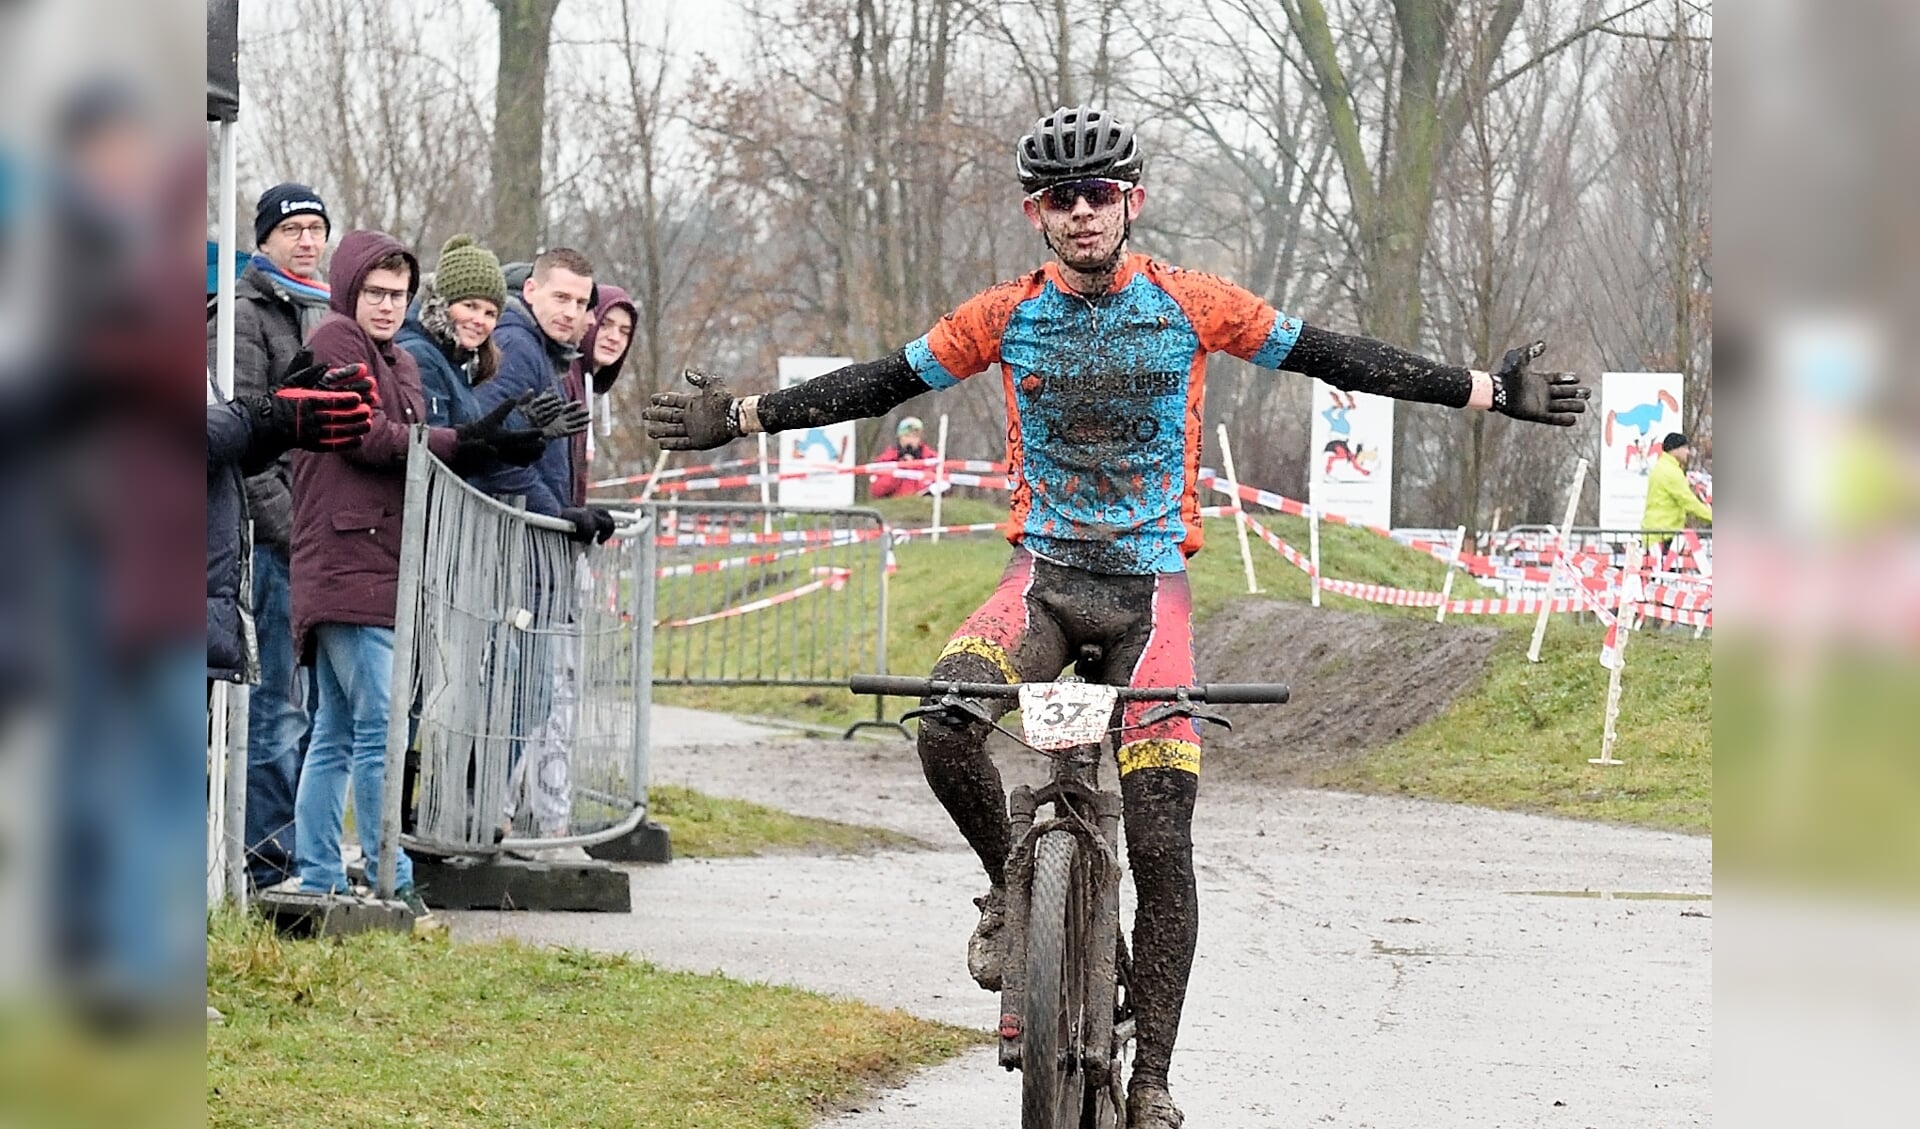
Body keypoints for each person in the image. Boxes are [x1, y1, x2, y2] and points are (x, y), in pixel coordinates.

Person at [646, 105, 1590, 1127]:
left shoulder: (1192, 303)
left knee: (1161, 839)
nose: (1084, 211)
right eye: (1063, 197)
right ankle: (1010, 888)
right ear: (1035, 213)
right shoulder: (1004, 316)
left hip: (1151, 597)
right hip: (1043, 580)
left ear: (1133, 202)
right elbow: (881, 380)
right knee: (947, 720)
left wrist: (1491, 391)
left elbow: (1333, 356)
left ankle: (1152, 1080)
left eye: (1102, 194)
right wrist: (743, 418)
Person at [290, 229, 548, 907]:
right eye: (375, 291)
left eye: (399, 294)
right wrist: (468, 437)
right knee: (375, 726)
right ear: (350, 289)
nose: (386, 304)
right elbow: (366, 435)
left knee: (342, 729)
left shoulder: (400, 359)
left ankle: (322, 873)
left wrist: (489, 438)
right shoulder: (335, 342)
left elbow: (422, 446)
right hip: (347, 561)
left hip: (384, 563)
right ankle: (387, 879)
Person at [210, 180, 334, 891]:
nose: (308, 241)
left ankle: (291, 850)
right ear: (264, 239)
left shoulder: (323, 313)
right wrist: (294, 536)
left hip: (313, 544)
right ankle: (264, 860)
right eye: (293, 229)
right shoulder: (242, 316)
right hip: (267, 545)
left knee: (308, 711)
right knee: (272, 712)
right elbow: (244, 436)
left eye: (318, 227)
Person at [1641, 431, 1713, 552]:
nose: (1688, 452)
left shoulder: (1661, 467)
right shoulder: (1671, 472)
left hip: (1655, 533)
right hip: (1664, 536)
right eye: (1685, 448)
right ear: (1675, 450)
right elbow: (1689, 502)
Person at [869, 416, 941, 498]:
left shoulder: (932, 460)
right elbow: (876, 490)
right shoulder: (885, 460)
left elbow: (945, 485)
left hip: (924, 506)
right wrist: (900, 468)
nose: (910, 440)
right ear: (899, 438)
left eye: (914, 437)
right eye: (906, 436)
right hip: (895, 507)